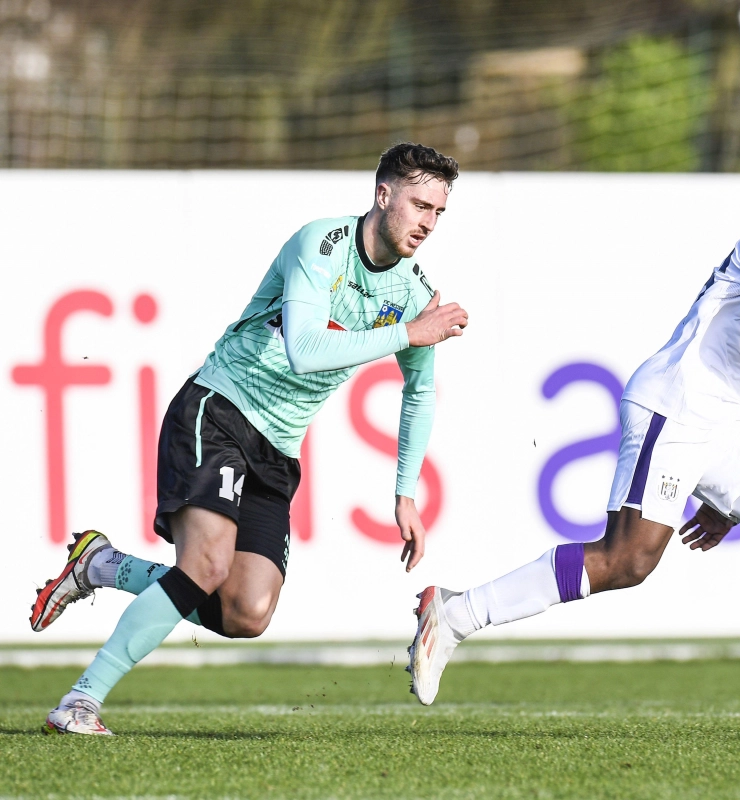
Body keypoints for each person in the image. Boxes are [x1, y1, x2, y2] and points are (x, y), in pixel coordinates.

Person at [407, 159, 740, 732]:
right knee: (626, 561)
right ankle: (455, 612)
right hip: (675, 405)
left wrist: (722, 499)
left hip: (720, 426)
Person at [31, 142, 469, 736]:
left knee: (246, 611)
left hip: (278, 451)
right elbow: (306, 349)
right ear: (383, 194)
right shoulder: (321, 245)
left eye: (439, 212)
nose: (427, 223)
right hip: (219, 410)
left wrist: (405, 492)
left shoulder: (414, 295)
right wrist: (409, 335)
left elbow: (419, 392)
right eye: (419, 204)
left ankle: (104, 566)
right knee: (206, 563)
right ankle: (81, 700)